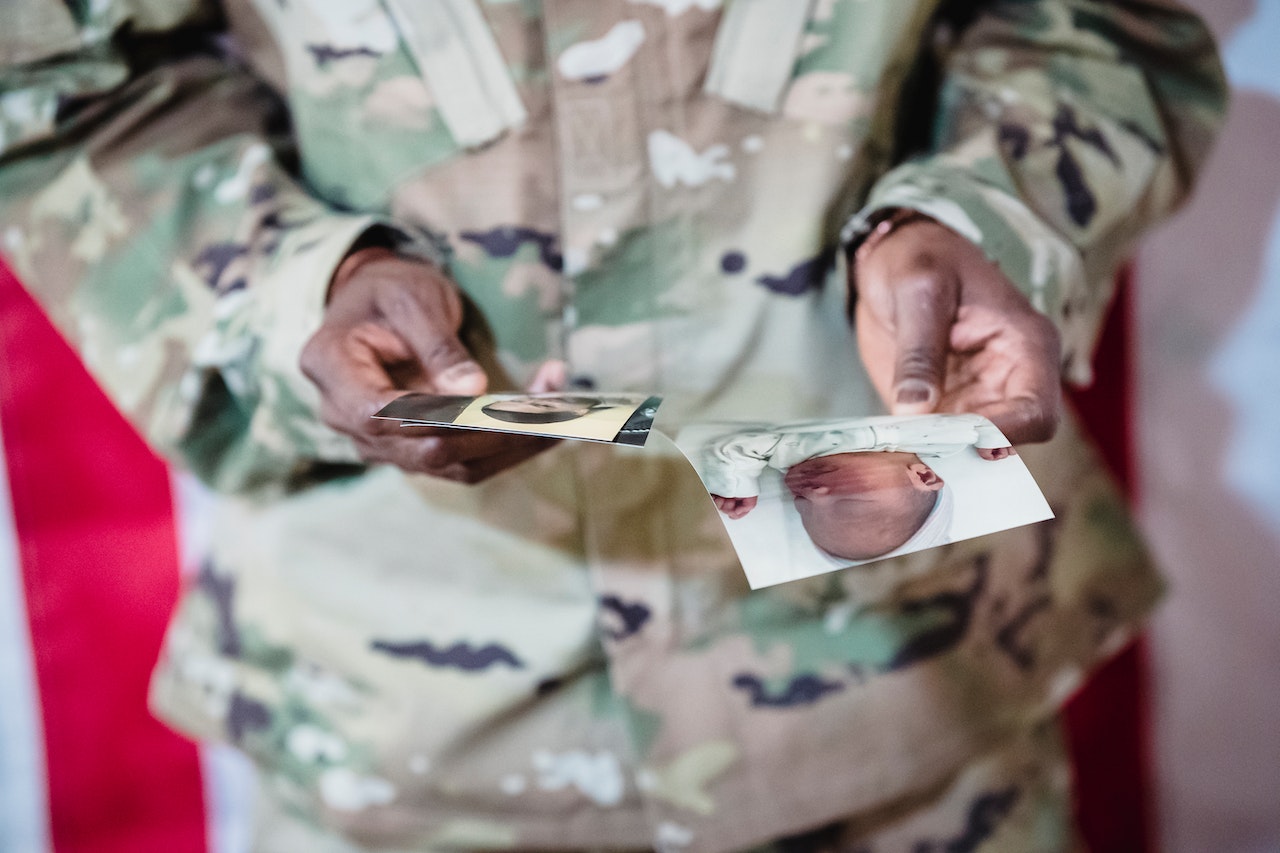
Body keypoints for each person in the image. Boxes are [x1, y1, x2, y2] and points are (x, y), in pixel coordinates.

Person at [0, 2, 1224, 851]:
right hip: (400, 727)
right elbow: (55, 86)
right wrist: (292, 291)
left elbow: (1097, 25)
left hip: (903, 691)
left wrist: (985, 218)